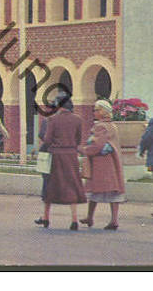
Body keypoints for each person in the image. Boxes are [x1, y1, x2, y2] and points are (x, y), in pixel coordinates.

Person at [36, 95, 86, 229]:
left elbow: (47, 139)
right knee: (72, 184)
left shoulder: (52, 119)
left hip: (56, 155)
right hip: (71, 155)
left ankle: (46, 217)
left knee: (50, 186)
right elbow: (78, 139)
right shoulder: (77, 119)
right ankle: (74, 219)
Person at [81, 99, 126, 229]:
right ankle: (113, 219)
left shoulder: (100, 126)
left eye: (96, 110)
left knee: (94, 189)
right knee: (113, 191)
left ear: (102, 111)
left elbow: (97, 145)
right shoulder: (113, 125)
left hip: (100, 163)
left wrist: (84, 150)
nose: (94, 112)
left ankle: (91, 217)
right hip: (112, 162)